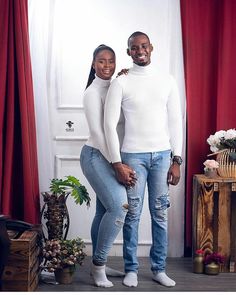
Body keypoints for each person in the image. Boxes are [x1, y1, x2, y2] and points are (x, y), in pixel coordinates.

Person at [104, 31, 183, 288]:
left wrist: (177, 159)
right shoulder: (121, 83)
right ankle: (131, 270)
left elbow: (175, 121)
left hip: (162, 156)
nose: (140, 51)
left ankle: (159, 269)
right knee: (133, 215)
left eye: (144, 46)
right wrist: (117, 162)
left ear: (151, 47)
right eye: (134, 48)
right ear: (128, 52)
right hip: (133, 157)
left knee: (160, 214)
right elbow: (109, 125)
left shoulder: (167, 80)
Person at [80, 45, 136, 288]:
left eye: (111, 61)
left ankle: (97, 262)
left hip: (111, 157)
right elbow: (99, 133)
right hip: (96, 156)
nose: (107, 66)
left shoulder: (115, 85)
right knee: (120, 207)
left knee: (104, 212)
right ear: (93, 64)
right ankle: (98, 266)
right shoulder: (92, 93)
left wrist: (125, 77)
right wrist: (117, 164)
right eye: (101, 61)